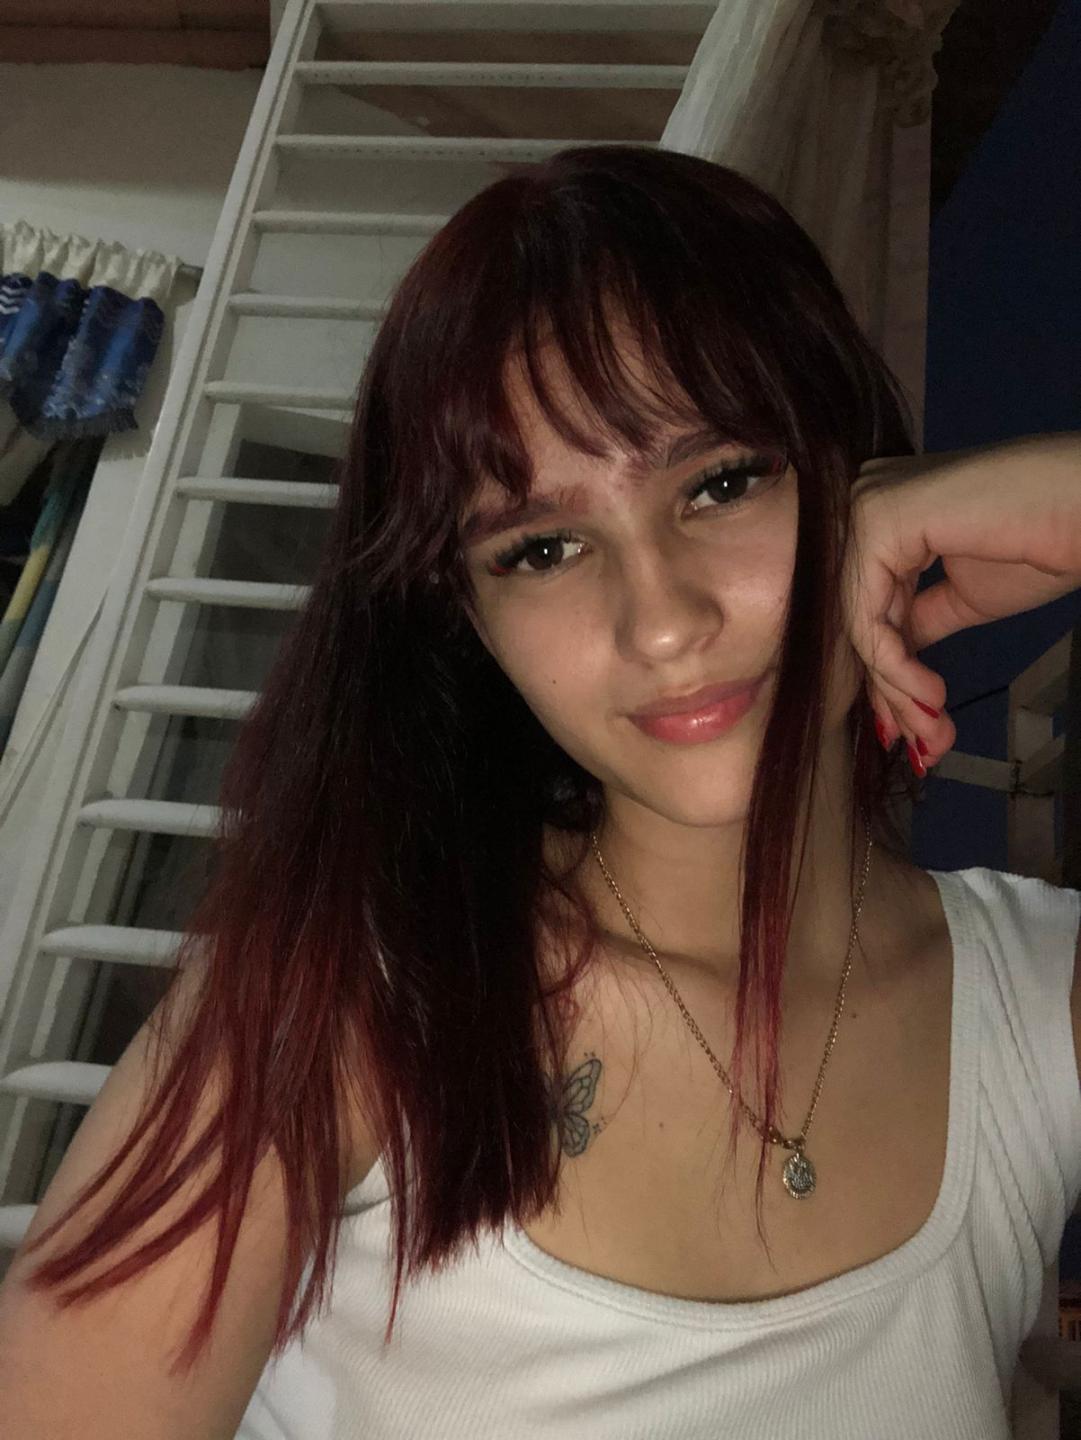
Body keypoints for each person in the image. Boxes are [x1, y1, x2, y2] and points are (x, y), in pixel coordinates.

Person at [1, 143, 1080, 1440]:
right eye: (543, 547)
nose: (662, 621)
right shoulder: (336, 1008)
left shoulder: (1040, 1001)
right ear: (472, 618)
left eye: (720, 482)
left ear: (860, 476)